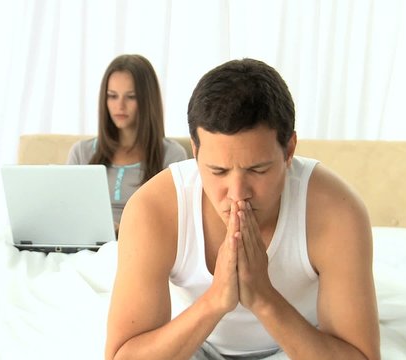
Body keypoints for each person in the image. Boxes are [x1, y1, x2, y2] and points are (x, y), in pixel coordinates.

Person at [105, 58, 380, 359]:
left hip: (303, 347)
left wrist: (263, 298)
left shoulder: (336, 211)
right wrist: (215, 302)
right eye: (218, 171)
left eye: (258, 170)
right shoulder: (153, 209)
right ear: (195, 153)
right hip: (192, 344)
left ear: (289, 150)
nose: (237, 195)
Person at [67, 54, 188, 233]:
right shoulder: (81, 152)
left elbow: (173, 222)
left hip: (140, 247)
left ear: (147, 100)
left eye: (131, 97)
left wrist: (121, 229)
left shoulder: (172, 155)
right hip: (85, 247)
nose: (120, 106)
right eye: (112, 96)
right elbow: (68, 212)